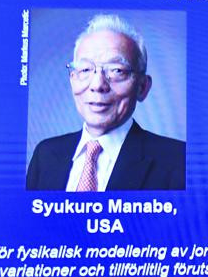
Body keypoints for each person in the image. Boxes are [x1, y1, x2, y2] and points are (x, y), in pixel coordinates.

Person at [26, 14, 185, 191]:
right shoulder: (45, 155)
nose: (98, 85)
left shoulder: (179, 161)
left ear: (142, 87)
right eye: (85, 69)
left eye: (116, 70)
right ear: (72, 80)